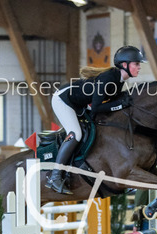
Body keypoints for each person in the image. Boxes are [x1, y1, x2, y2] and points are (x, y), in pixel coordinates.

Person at [47, 45, 146, 195]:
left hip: (79, 103)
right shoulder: (109, 78)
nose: (139, 67)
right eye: (136, 64)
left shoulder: (119, 80)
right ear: (124, 64)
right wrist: (120, 104)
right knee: (76, 134)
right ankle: (55, 176)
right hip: (63, 100)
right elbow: (97, 108)